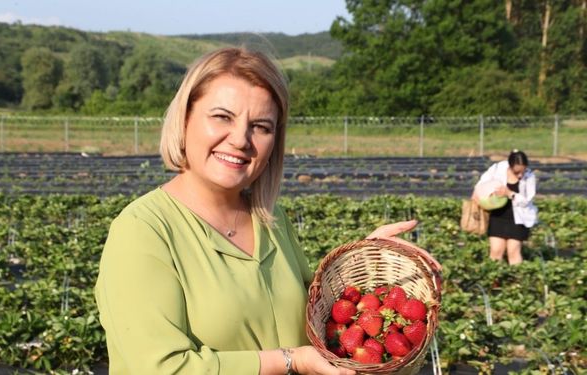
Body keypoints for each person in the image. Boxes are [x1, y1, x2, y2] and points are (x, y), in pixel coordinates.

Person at [94, 47, 439, 374]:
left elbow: (316, 313)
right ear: (184, 120)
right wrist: (289, 361)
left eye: (261, 126)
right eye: (222, 117)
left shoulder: (269, 218)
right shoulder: (144, 230)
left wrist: (364, 262)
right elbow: (159, 367)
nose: (241, 139)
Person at [473, 150, 538, 265]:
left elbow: (526, 201)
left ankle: (517, 281)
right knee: (496, 252)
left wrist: (509, 193)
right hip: (498, 216)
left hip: (518, 219)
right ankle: (494, 280)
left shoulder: (529, 176)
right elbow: (482, 183)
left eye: (522, 171)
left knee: (513, 251)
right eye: (517, 172)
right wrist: (477, 194)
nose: (520, 175)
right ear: (510, 165)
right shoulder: (498, 169)